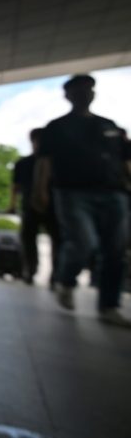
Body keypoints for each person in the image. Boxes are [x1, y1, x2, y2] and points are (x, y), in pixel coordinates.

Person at [33, 74, 131, 327]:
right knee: (83, 242)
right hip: (72, 192)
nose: (84, 94)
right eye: (77, 90)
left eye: (88, 89)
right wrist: (41, 191)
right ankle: (66, 280)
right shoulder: (56, 128)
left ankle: (109, 305)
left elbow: (125, 162)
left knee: (115, 250)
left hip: (113, 193)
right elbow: (44, 163)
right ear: (68, 96)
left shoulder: (110, 126)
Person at [8, 128, 59, 287]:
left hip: (54, 207)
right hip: (29, 206)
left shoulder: (57, 162)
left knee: (58, 241)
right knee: (28, 240)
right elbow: (15, 186)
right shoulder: (23, 163)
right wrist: (12, 204)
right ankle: (30, 271)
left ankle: (55, 275)